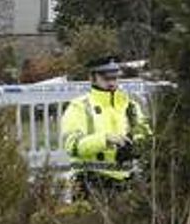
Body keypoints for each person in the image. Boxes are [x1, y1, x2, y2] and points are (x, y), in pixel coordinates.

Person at [59, 55, 149, 197]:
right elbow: (73, 146)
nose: (112, 83)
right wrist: (105, 140)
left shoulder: (130, 105)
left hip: (126, 183)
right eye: (106, 78)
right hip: (90, 184)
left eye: (115, 78)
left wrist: (134, 146)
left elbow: (146, 135)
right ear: (92, 78)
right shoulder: (79, 107)